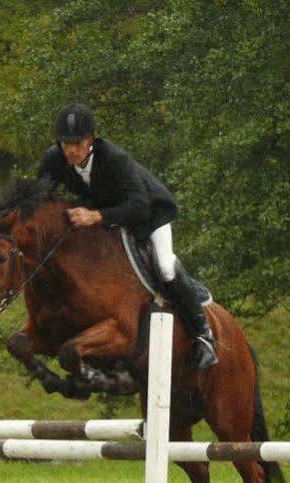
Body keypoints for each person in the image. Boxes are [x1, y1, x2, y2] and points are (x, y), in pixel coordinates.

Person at [37, 102, 218, 369]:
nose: (71, 151)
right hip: (112, 222)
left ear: (92, 140)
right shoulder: (54, 159)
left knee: (165, 268)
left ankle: (204, 336)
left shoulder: (114, 158)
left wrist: (96, 216)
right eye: (65, 144)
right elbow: (39, 196)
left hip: (150, 216)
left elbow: (140, 205)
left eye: (77, 143)